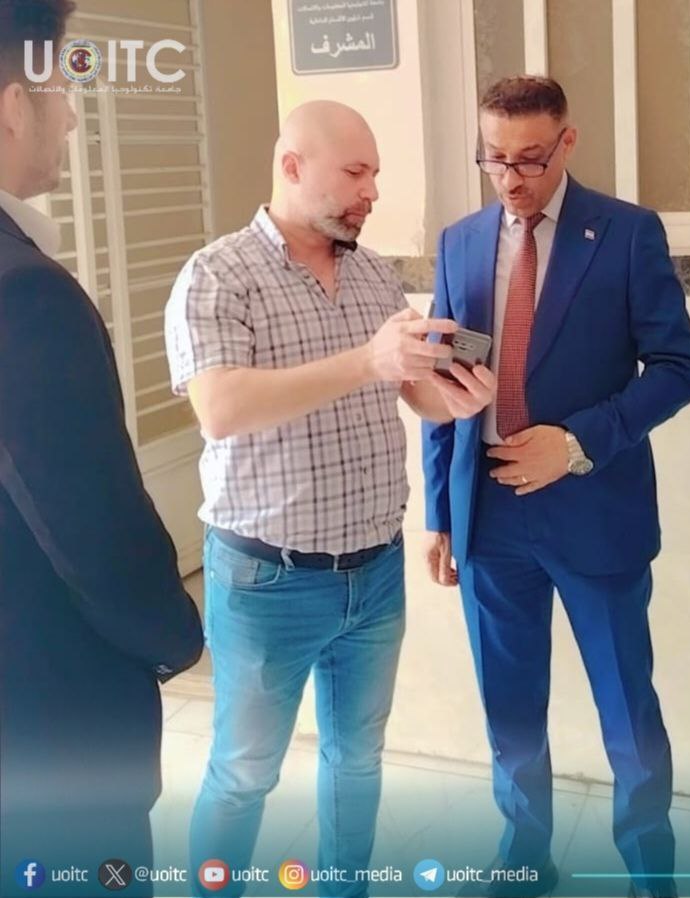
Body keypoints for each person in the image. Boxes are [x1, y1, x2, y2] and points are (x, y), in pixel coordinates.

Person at [165, 100, 496, 897]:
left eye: (374, 174)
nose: (372, 191)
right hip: (266, 582)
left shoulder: (374, 272)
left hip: (374, 574)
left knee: (357, 759)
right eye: (355, 173)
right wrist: (366, 362)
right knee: (245, 771)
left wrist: (459, 401)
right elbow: (221, 408)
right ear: (292, 167)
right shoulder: (218, 274)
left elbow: (414, 390)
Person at [422, 76, 690, 898]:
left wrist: (577, 443)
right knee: (509, 708)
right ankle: (523, 861)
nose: (511, 179)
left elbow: (678, 369)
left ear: (567, 142)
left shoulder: (625, 233)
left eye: (530, 159)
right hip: (490, 516)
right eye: (494, 159)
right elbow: (445, 382)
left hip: (595, 510)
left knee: (627, 712)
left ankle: (650, 874)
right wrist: (440, 510)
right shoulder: (460, 242)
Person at [0, 1, 204, 893]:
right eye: (61, 86)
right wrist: (173, 636)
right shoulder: (25, 296)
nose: (74, 114)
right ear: (14, 107)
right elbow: (93, 526)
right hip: (50, 736)